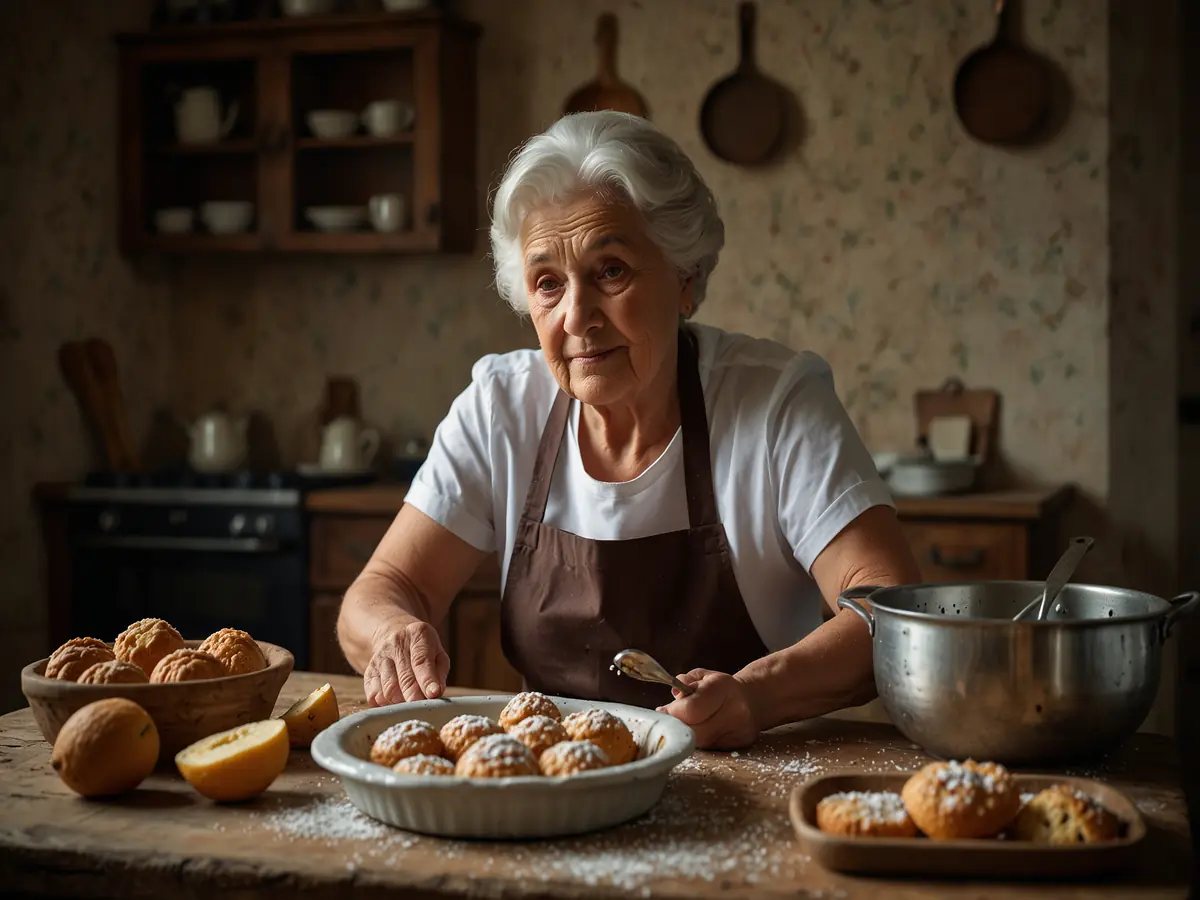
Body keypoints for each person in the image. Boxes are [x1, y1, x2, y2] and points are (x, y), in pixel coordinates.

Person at [337, 110, 921, 749]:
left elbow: (889, 610)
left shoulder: (775, 402)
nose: (577, 317)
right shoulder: (501, 407)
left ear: (685, 280)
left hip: (739, 779)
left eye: (610, 271)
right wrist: (394, 631)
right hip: (547, 786)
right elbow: (383, 590)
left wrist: (759, 694)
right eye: (548, 285)